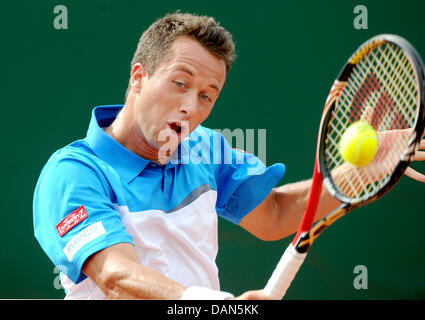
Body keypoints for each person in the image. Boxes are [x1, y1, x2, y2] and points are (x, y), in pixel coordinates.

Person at [33, 12, 425, 300]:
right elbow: (117, 277)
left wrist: (360, 171)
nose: (191, 106)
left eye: (206, 95)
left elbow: (272, 214)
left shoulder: (205, 148)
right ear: (139, 78)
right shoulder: (74, 172)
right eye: (180, 83)